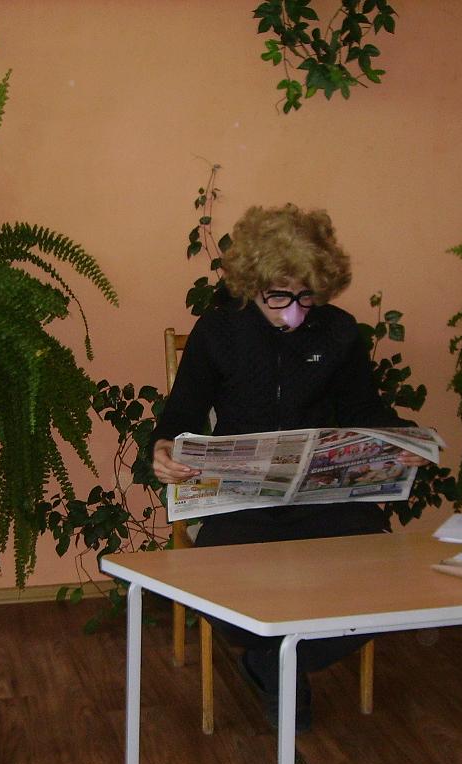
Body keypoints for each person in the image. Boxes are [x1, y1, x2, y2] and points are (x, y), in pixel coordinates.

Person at [151, 203, 428, 731]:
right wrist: (165, 450)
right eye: (278, 296)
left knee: (387, 573)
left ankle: (277, 659)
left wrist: (399, 442)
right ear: (252, 283)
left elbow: (365, 411)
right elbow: (181, 416)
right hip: (242, 503)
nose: (294, 311)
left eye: (306, 296)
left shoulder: (338, 331)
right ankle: (279, 661)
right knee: (219, 582)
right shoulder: (218, 331)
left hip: (320, 499)